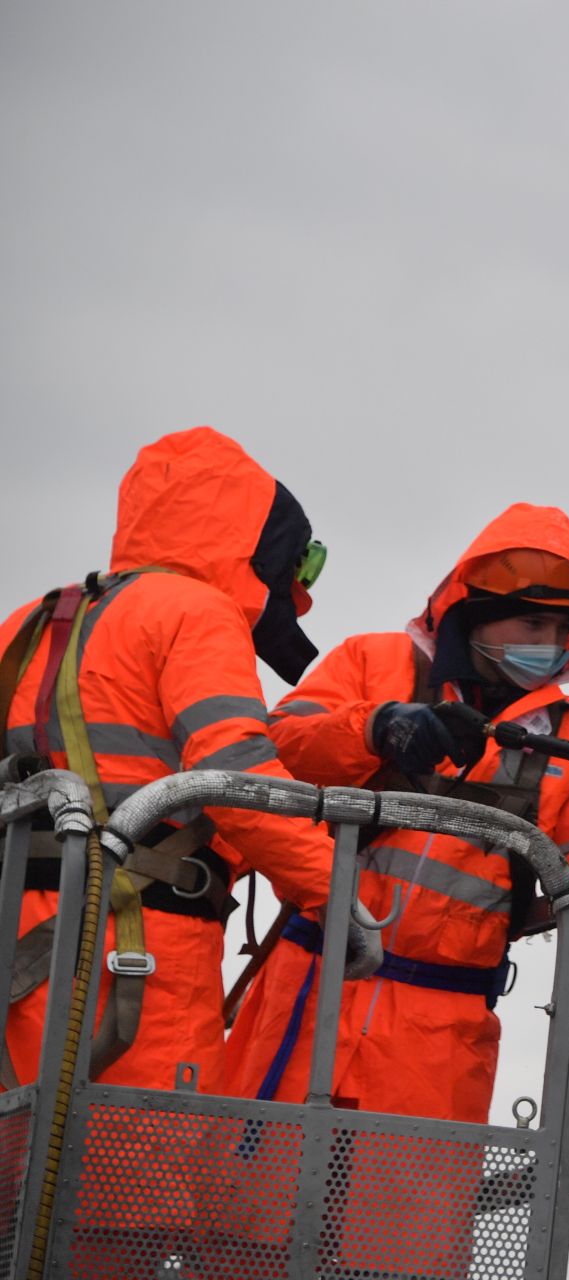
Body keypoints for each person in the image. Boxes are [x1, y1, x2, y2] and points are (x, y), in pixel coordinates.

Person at [222, 502, 569, 1125]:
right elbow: (273, 748)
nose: (548, 645)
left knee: (403, 1221)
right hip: (307, 994)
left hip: (440, 1038)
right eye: (531, 625)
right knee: (246, 1213)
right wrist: (375, 729)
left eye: (560, 630)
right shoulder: (372, 664)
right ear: (473, 616)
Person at [1, 425, 368, 1092]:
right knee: (147, 1180)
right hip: (132, 948)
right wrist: (336, 889)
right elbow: (237, 776)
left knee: (21, 1177)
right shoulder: (197, 612)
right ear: (260, 544)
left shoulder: (36, 619)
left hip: (15, 946)